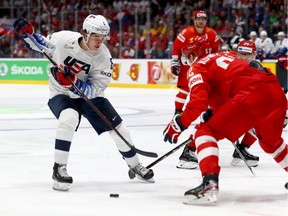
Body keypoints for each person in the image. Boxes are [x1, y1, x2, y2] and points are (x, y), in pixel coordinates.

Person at [13, 15, 155, 191]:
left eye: (103, 37)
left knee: (119, 129)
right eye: (96, 37)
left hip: (89, 96)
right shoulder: (63, 38)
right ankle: (59, 168)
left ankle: (135, 165)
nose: (100, 41)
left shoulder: (104, 57)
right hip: (61, 93)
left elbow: (95, 89)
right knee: (69, 118)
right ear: (85, 33)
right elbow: (43, 47)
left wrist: (74, 81)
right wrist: (28, 35)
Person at [163, 36, 287, 204]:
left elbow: (197, 103)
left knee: (205, 133)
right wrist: (215, 111)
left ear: (192, 56)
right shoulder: (227, 55)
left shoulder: (198, 67)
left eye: (187, 56)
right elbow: (228, 84)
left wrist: (178, 124)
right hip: (275, 91)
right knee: (271, 142)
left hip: (250, 95)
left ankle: (209, 184)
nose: (186, 61)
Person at [177, 40, 260, 169]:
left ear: (254, 55)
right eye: (241, 53)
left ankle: (242, 149)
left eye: (247, 55)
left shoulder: (251, 67)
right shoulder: (228, 61)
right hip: (218, 98)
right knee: (211, 124)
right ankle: (189, 150)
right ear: (236, 52)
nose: (244, 57)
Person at [170, 10, 220, 169]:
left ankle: (206, 113)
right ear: (194, 20)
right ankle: (178, 112)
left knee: (204, 92)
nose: (201, 21)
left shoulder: (212, 34)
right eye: (199, 19)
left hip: (205, 66)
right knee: (184, 90)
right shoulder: (186, 33)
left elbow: (216, 51)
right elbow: (176, 48)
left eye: (204, 19)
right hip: (188, 65)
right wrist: (174, 63)